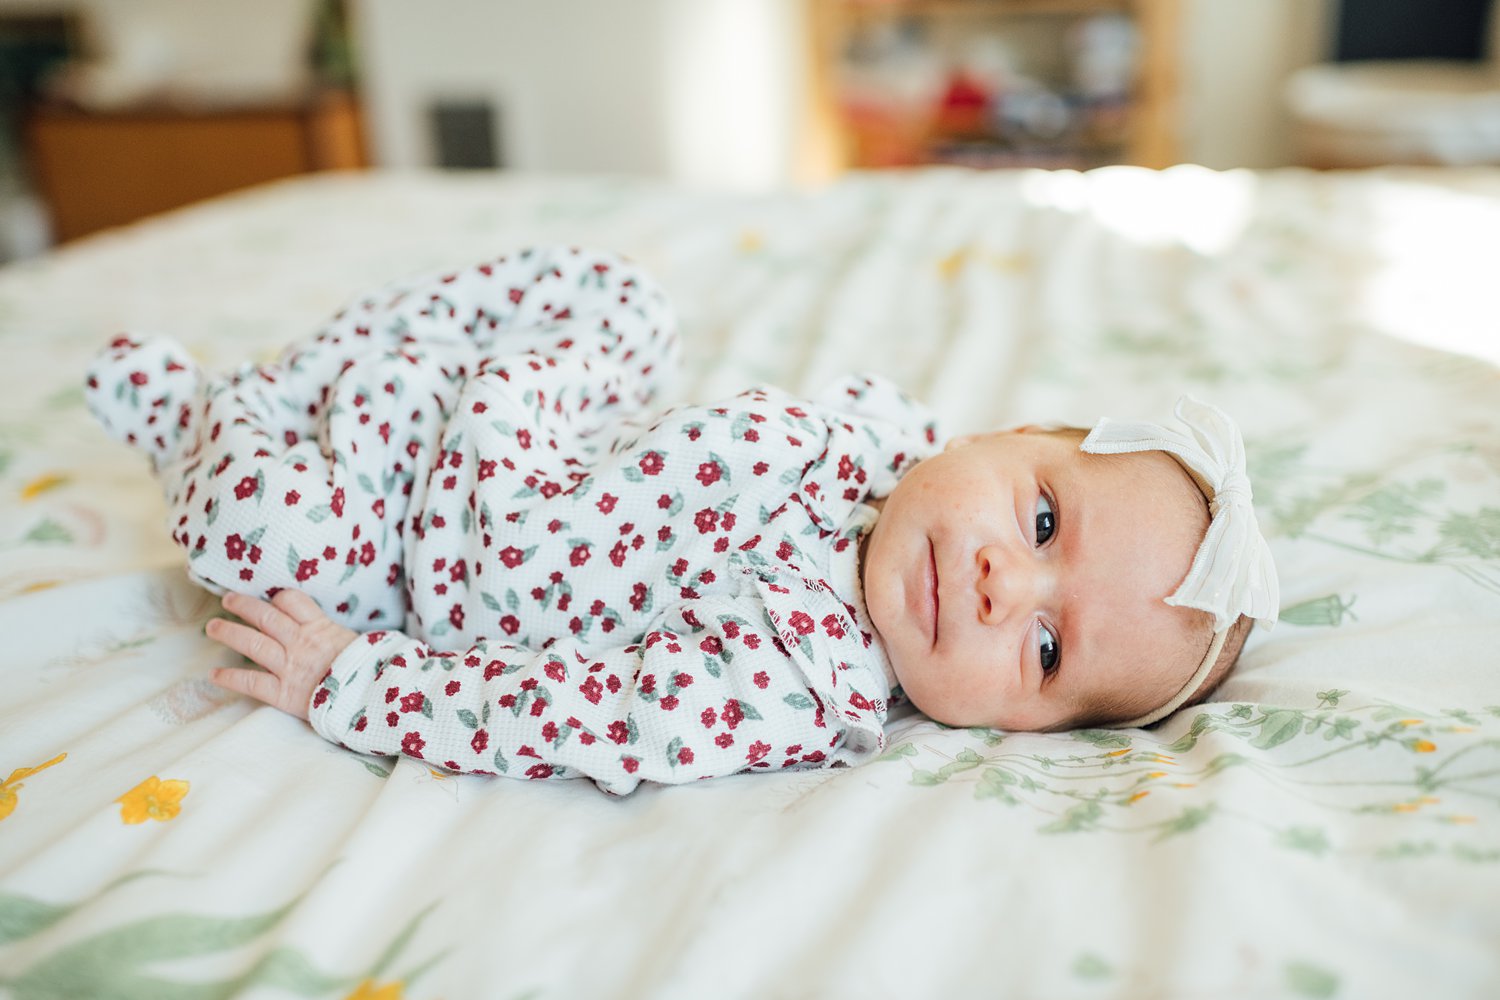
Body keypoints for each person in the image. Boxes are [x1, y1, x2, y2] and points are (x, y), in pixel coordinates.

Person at [85, 247, 1278, 795]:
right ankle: (315, 370)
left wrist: (351, 679)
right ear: (995, 436)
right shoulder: (887, 442)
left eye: (1049, 648)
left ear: (1030, 726)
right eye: (1044, 520)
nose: (1001, 589)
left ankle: (204, 420)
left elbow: (567, 716)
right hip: (516, 426)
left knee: (261, 525)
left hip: (414, 559)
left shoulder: (799, 681)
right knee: (622, 297)